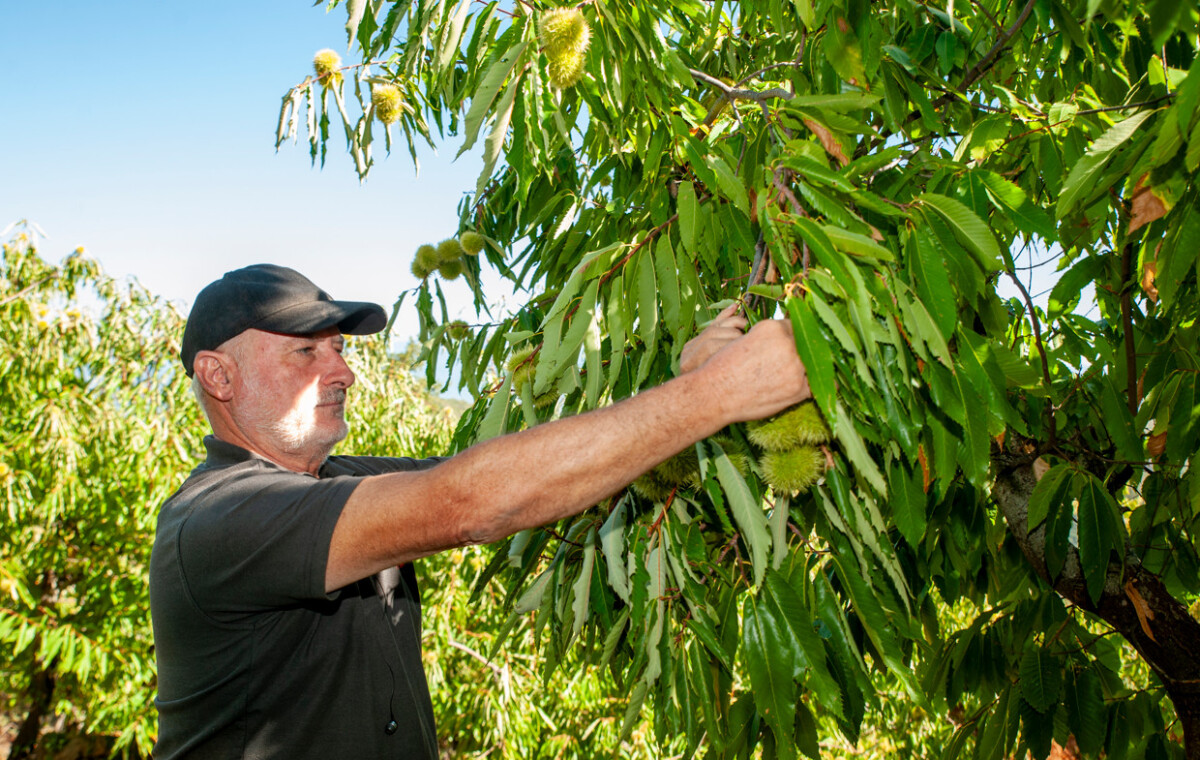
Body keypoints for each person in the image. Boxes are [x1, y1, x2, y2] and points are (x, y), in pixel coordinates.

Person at [149, 263, 811, 759]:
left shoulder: (339, 482)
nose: (343, 370)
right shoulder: (220, 519)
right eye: (306, 351)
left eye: (341, 348)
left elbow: (522, 476)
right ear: (219, 376)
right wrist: (714, 395)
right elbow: (470, 502)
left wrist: (685, 381)